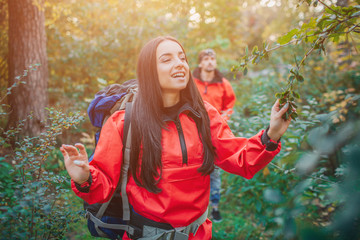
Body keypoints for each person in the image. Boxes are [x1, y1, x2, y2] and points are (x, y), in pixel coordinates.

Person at [60, 36, 292, 240]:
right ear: (149, 70)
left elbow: (238, 159)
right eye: (167, 59)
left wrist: (271, 136)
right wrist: (84, 178)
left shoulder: (204, 114)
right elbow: (104, 185)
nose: (179, 63)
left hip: (197, 234)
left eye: (182, 57)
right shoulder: (124, 121)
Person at [192, 48, 236, 222]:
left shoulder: (223, 83)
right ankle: (195, 207)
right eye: (206, 59)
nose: (210, 61)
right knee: (194, 169)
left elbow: (230, 103)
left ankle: (215, 207)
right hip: (193, 133)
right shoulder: (191, 82)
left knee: (214, 171)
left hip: (215, 134)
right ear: (200, 63)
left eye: (212, 59)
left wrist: (223, 119)